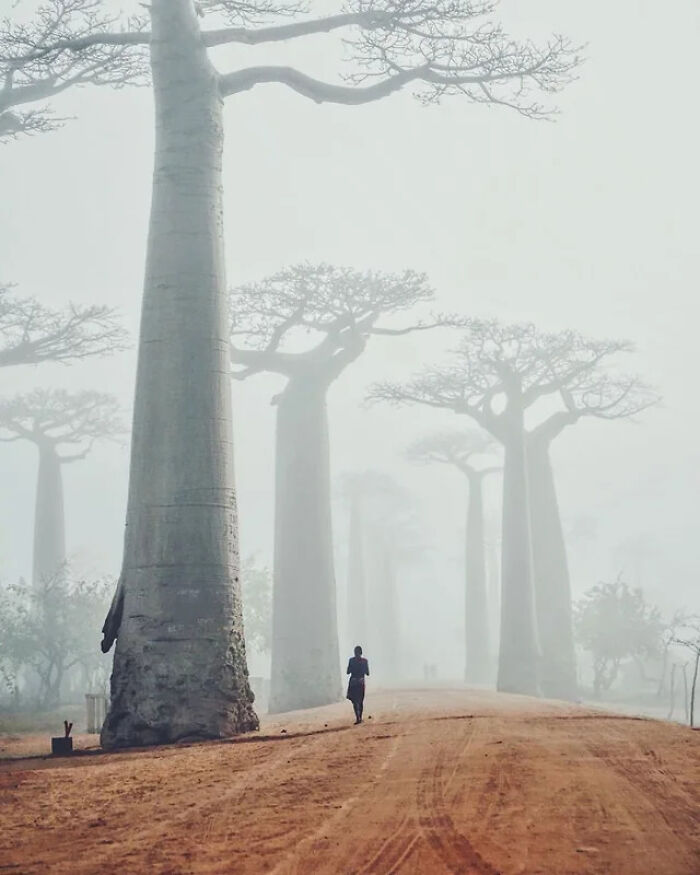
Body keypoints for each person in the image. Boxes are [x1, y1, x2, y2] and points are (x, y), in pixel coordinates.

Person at [346, 645, 370, 724]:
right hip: (361, 682)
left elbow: (348, 672)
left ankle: (358, 717)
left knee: (354, 701)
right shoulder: (364, 661)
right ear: (361, 652)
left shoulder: (351, 660)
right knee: (360, 700)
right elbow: (367, 673)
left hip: (353, 682)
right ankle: (360, 717)